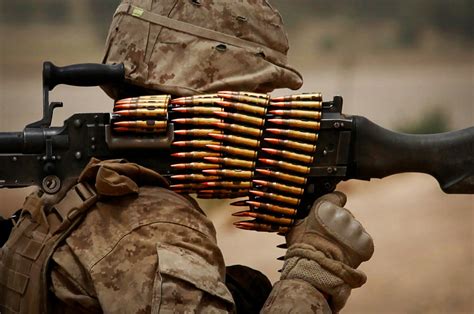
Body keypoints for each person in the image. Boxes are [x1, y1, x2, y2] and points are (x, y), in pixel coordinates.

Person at [0, 1, 373, 313]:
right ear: (212, 93)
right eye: (258, 95)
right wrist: (315, 267)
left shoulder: (83, 190)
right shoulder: (153, 230)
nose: (270, 112)